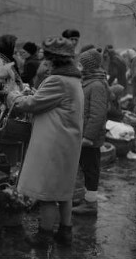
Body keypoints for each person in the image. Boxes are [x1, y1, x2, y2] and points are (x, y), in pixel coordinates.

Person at [7, 37, 84, 248]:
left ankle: (44, 236)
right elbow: (49, 101)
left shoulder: (57, 80)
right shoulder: (74, 79)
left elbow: (32, 104)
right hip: (67, 142)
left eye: (47, 57)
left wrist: (11, 96)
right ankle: (65, 232)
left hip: (54, 143)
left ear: (53, 59)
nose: (45, 61)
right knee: (63, 191)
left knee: (48, 194)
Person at [72, 48, 109, 216]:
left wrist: (88, 137)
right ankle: (87, 198)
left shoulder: (96, 85)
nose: (78, 66)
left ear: (89, 67)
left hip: (90, 137)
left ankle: (91, 204)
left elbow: (98, 114)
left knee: (91, 169)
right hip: (84, 133)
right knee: (86, 167)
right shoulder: (89, 81)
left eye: (81, 64)